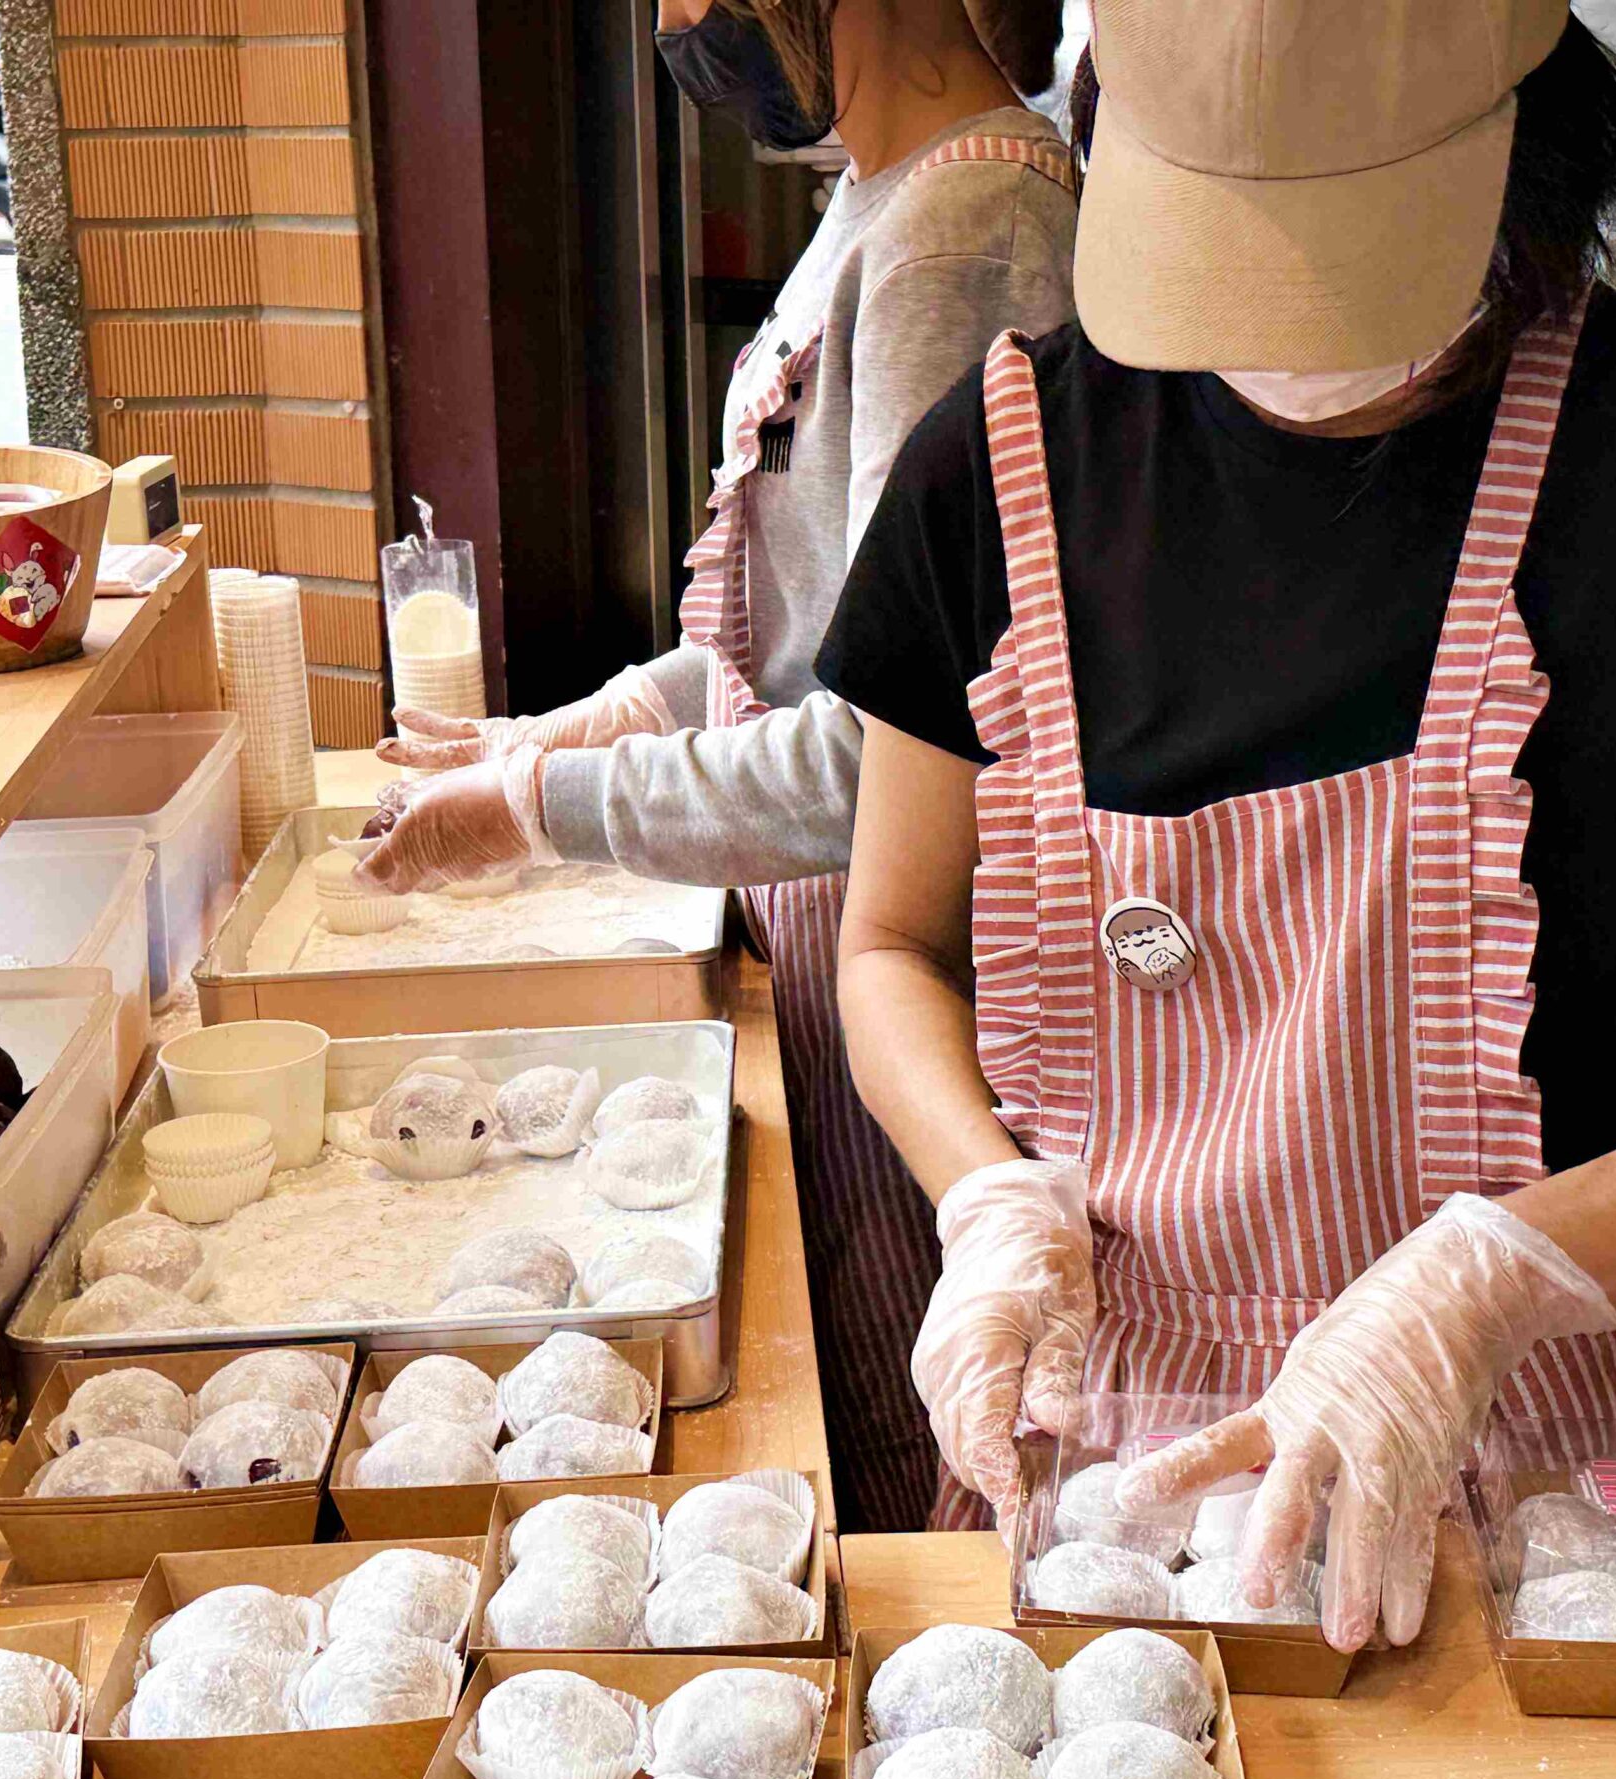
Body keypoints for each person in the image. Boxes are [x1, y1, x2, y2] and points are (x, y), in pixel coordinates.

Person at [823, 0, 1616, 1648]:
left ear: (1531, 143)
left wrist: (1486, 1280)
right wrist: (987, 1203)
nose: (1280, 305)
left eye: (1334, 226)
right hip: (1116, 1488)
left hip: (1559, 1502)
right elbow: (891, 943)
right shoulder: (1000, 466)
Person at [356, 0, 1080, 1532]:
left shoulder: (968, 229)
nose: (676, 19)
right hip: (824, 938)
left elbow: (886, 755)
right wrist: (573, 728)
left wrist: (540, 808)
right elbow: (792, 646)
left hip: (927, 972)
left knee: (930, 1459)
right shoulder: (877, 195)